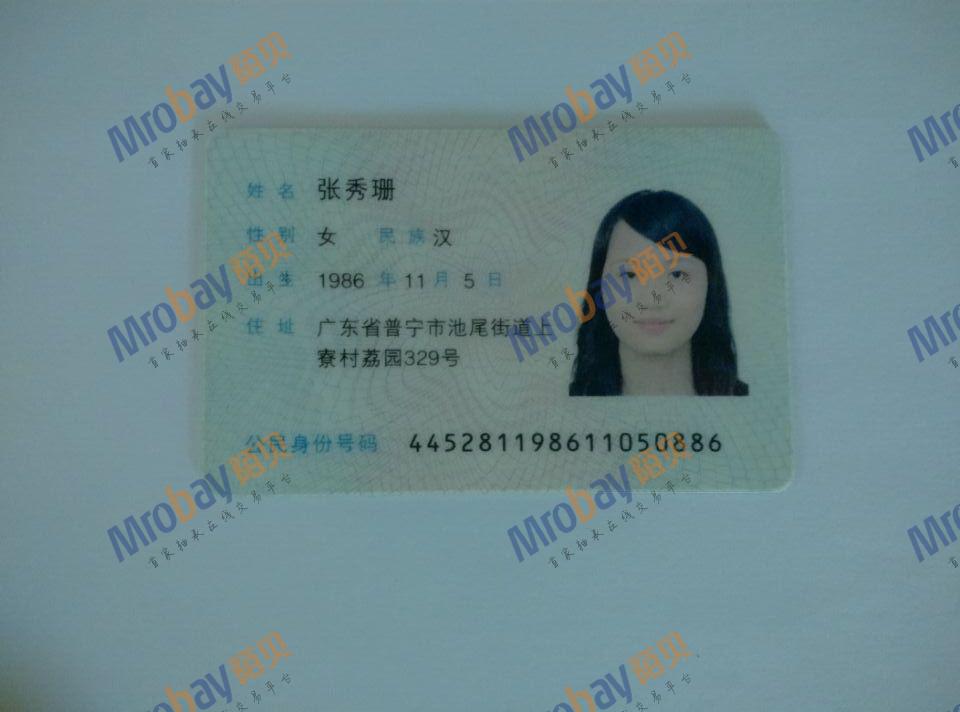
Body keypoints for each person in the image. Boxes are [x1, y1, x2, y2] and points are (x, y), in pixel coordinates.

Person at [569, 189, 748, 396]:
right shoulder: (568, 405)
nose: (652, 300)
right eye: (630, 275)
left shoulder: (746, 403)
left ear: (710, 284)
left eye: (677, 274)